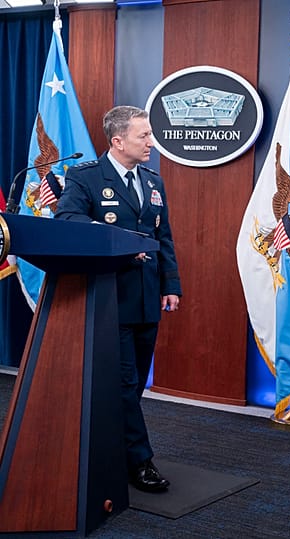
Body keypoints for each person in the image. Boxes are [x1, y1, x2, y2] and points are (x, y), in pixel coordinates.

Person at [55, 105, 181, 493]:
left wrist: (170, 284)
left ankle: (108, 447)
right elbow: (68, 219)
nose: (151, 142)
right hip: (109, 298)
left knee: (134, 384)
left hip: (146, 299)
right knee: (126, 384)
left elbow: (164, 238)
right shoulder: (86, 178)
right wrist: (119, 243)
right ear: (117, 140)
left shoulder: (153, 181)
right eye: (143, 135)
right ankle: (139, 462)